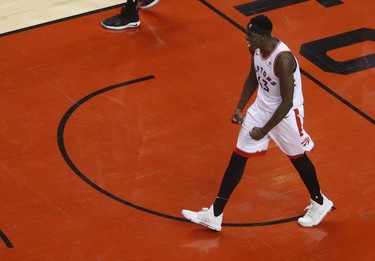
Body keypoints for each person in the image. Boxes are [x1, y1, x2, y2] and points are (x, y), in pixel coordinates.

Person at [181, 15, 334, 231]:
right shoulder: (255, 49)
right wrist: (239, 107)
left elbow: (287, 102)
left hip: (287, 114)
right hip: (261, 107)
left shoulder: (283, 59)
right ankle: (215, 214)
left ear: (264, 37)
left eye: (251, 35)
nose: (246, 38)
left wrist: (263, 131)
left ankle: (319, 202)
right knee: (238, 156)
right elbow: (253, 76)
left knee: (298, 158)